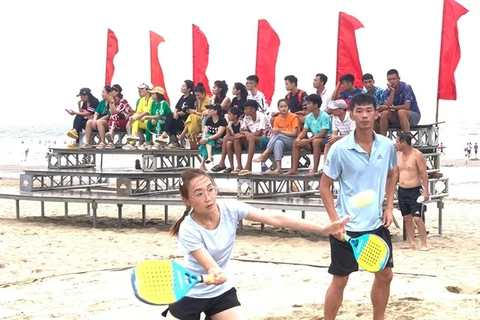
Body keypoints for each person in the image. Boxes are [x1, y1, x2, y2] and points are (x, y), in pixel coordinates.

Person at [163, 168, 350, 320]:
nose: (208, 197)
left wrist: (322, 229)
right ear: (187, 200)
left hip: (220, 291)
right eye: (199, 193)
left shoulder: (230, 208)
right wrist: (215, 271)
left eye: (210, 189)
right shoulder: (188, 228)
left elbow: (275, 218)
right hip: (190, 292)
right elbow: (209, 264)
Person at [319, 93, 397, 320]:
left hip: (376, 224)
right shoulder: (340, 149)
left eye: (369, 110)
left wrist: (389, 206)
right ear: (351, 114)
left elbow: (393, 173)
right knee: (340, 279)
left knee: (385, 275)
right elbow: (324, 187)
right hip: (346, 226)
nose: (364, 115)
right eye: (359, 111)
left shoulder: (387, 146)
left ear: (376, 113)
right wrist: (335, 222)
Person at [395, 131, 430, 251]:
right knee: (406, 217)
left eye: (397, 141)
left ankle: (423, 243)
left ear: (404, 142)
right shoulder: (398, 155)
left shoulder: (417, 155)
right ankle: (411, 242)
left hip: (415, 191)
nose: (395, 144)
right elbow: (396, 174)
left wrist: (426, 192)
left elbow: (424, 174)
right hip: (402, 190)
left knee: (417, 218)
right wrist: (388, 190)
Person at [284, 94, 331, 176]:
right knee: (296, 142)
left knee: (316, 141)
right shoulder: (309, 117)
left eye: (309, 103)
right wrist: (299, 138)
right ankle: (293, 169)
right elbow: (304, 132)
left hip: (326, 141)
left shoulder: (325, 116)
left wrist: (308, 140)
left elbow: (323, 133)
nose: (307, 105)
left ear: (315, 105)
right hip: (313, 140)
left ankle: (315, 169)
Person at [253, 99, 300, 174]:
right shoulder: (277, 119)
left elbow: (294, 134)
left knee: (278, 135)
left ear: (288, 107)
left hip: (293, 142)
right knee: (278, 142)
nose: (283, 108)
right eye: (281, 107)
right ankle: (278, 168)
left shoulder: (294, 117)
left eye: (285, 106)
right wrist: (278, 132)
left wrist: (281, 131)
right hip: (282, 142)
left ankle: (265, 154)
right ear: (278, 108)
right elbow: (275, 134)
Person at [233, 99, 271, 175]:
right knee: (237, 139)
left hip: (266, 140)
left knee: (251, 139)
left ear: (253, 109)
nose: (244, 111)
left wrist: (248, 135)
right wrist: (246, 133)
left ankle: (248, 166)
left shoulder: (262, 116)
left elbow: (260, 132)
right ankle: (239, 166)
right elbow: (241, 130)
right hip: (253, 139)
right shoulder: (246, 117)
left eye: (246, 109)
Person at [379, 69, 421, 135]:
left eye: (394, 79)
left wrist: (389, 107)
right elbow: (386, 107)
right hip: (398, 116)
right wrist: (392, 92)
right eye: (389, 79)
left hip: (413, 115)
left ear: (399, 78)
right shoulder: (388, 90)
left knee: (401, 112)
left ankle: (406, 138)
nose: (392, 81)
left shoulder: (406, 87)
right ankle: (382, 139)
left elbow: (407, 107)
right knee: (385, 113)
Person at [321, 100, 355, 169]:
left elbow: (353, 135)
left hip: (354, 139)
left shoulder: (351, 117)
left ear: (341, 110)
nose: (332, 111)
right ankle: (326, 166)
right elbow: (334, 133)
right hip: (342, 138)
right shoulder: (335, 118)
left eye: (334, 109)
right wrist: (333, 138)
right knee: (328, 143)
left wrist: (336, 137)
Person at [210, 107, 243, 173]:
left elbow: (241, 134)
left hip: (241, 142)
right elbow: (229, 135)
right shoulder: (229, 123)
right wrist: (229, 132)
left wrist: (230, 135)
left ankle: (222, 162)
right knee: (228, 143)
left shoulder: (241, 122)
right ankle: (231, 166)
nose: (228, 116)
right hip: (233, 141)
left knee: (225, 138)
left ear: (235, 115)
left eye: (230, 114)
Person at [138, 86, 172, 150]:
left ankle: (158, 141)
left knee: (158, 122)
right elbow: (152, 114)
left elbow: (160, 116)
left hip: (165, 121)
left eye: (153, 93)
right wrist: (152, 119)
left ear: (158, 95)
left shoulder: (163, 103)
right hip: (156, 119)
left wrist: (146, 117)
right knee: (148, 123)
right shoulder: (153, 103)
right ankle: (148, 141)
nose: (151, 95)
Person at [198, 104, 227, 170]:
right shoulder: (209, 120)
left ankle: (203, 163)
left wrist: (207, 139)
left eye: (210, 109)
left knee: (208, 139)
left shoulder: (222, 120)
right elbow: (205, 131)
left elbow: (219, 134)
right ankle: (209, 157)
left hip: (219, 141)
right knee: (206, 140)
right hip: (209, 141)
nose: (208, 111)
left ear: (215, 111)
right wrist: (203, 138)